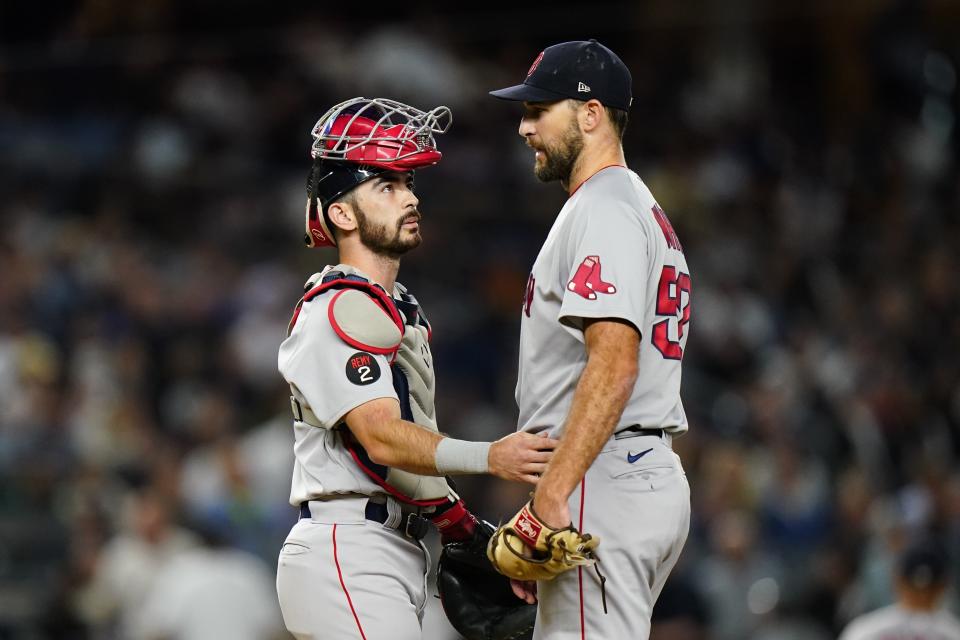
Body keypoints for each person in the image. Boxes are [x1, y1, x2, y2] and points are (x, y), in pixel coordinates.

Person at [275, 97, 556, 640]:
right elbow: (379, 438)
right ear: (341, 213)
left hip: (388, 549)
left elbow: (393, 456)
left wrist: (464, 528)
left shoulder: (388, 302)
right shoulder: (338, 306)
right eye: (386, 186)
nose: (409, 197)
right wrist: (491, 456)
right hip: (349, 548)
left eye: (407, 184)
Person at [489, 40, 692, 639]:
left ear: (590, 113)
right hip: (627, 470)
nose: (524, 127)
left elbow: (615, 361)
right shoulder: (633, 205)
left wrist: (555, 490)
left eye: (538, 110)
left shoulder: (604, 206)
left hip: (603, 474)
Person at [838, 538, 960, 640]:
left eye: (927, 590)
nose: (921, 594)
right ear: (943, 585)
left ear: (897, 580)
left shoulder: (865, 629)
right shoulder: (953, 632)